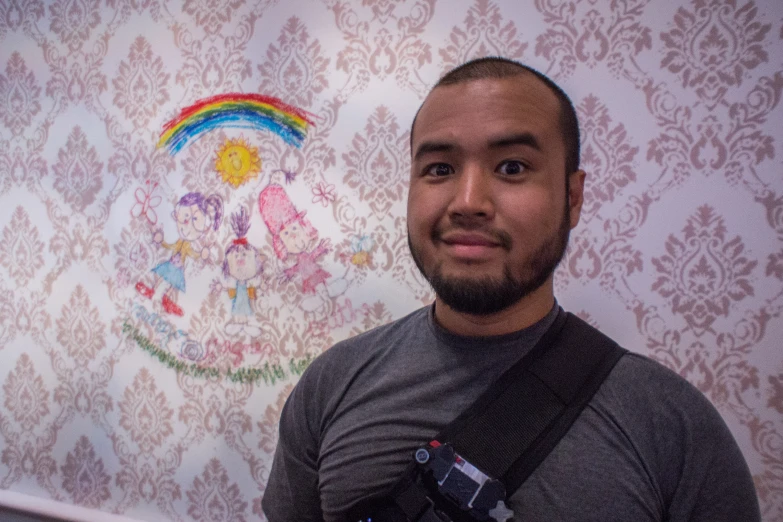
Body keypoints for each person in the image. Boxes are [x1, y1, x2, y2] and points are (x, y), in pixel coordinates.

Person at [262, 57, 760, 521]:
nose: (469, 201)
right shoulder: (330, 386)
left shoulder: (672, 426)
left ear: (573, 196)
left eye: (512, 167)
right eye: (439, 169)